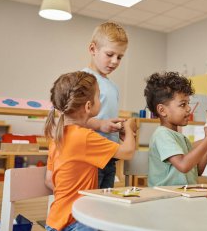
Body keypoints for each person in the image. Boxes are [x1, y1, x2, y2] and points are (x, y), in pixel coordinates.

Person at [44, 71, 137, 231]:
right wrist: (129, 128)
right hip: (77, 221)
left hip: (54, 221)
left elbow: (49, 180)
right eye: (98, 97)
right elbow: (128, 152)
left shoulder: (57, 137)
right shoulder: (85, 137)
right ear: (88, 106)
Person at [144, 71, 207, 186]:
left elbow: (197, 170)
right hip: (165, 199)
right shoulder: (162, 135)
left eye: (188, 103)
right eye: (183, 104)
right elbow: (183, 165)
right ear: (162, 110)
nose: (189, 109)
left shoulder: (181, 138)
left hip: (181, 196)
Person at [83, 21, 128, 189]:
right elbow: (72, 119)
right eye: (110, 54)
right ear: (93, 49)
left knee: (105, 202)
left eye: (120, 57)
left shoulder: (113, 86)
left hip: (110, 155)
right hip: (90, 156)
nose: (115, 61)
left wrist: (117, 129)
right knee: (89, 204)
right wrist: (101, 124)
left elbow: (105, 118)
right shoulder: (83, 80)